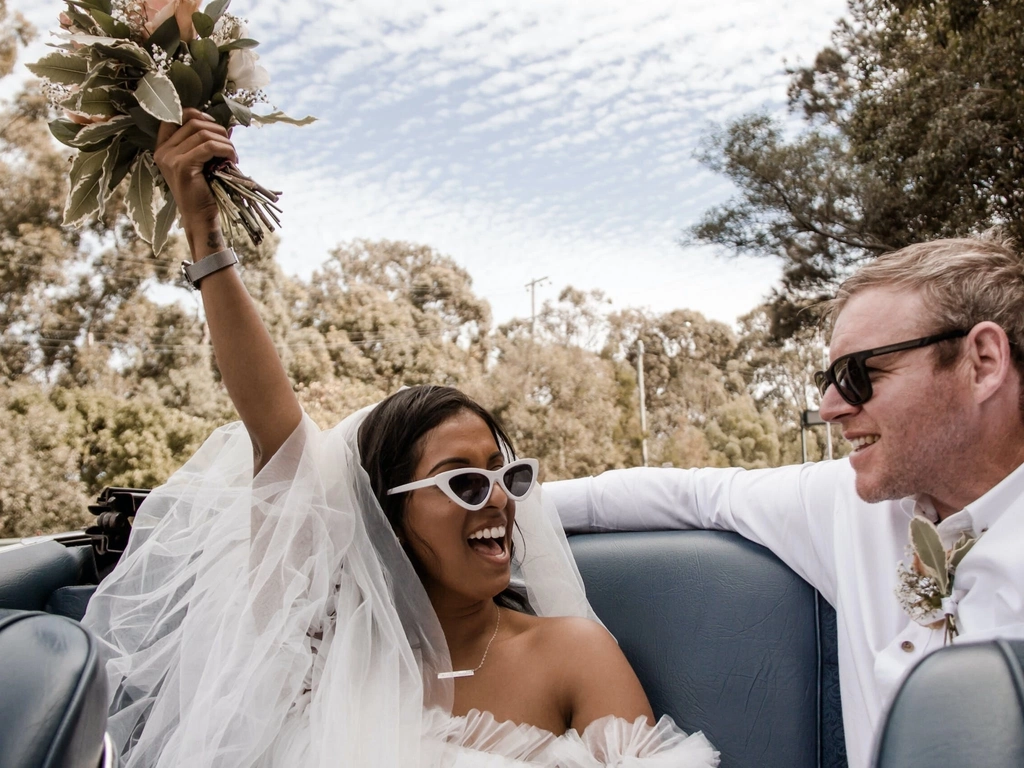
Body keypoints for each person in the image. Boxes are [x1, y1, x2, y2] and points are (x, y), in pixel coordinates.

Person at [80, 109, 719, 768]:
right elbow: (279, 436)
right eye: (463, 481)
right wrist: (203, 233)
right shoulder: (330, 663)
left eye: (506, 476)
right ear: (386, 511)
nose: (498, 499)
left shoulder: (572, 654)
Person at [546, 235, 1024, 768]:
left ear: (982, 362)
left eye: (861, 374)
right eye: (829, 379)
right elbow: (692, 493)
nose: (830, 407)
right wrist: (494, 503)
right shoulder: (848, 502)